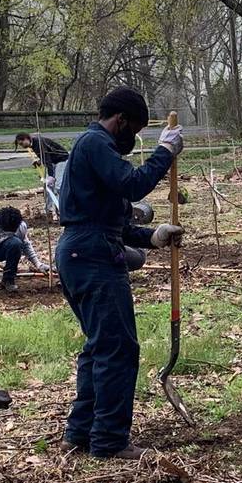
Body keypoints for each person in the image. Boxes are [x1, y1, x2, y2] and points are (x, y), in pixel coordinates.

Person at [56, 86, 184, 460]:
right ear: (121, 121)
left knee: (99, 346)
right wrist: (164, 152)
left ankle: (79, 433)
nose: (135, 139)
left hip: (84, 248)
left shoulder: (93, 150)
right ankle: (109, 441)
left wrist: (153, 237)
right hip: (92, 256)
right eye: (136, 131)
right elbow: (133, 184)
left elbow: (111, 220)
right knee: (117, 349)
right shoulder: (96, 144)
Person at [16, 132, 70, 212]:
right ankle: (49, 209)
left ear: (26, 138)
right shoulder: (33, 144)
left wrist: (51, 176)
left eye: (22, 143)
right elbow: (44, 157)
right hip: (53, 161)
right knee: (47, 186)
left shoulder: (38, 143)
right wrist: (39, 162)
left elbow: (47, 158)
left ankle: (63, 208)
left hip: (62, 160)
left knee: (58, 186)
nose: (22, 146)